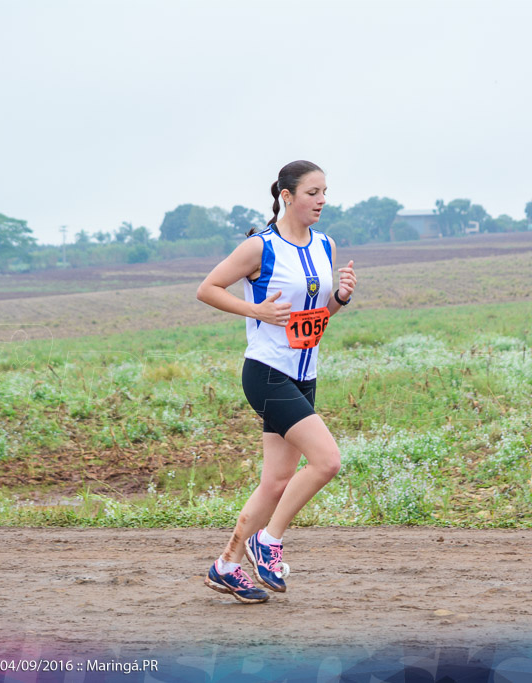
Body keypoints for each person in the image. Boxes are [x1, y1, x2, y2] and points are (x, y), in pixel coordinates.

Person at [196, 160, 357, 604]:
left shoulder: (326, 245)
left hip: (306, 374)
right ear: (287, 196)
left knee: (276, 481)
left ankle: (225, 565)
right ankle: (267, 541)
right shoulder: (259, 247)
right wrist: (257, 311)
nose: (322, 200)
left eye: (325, 192)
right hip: (268, 373)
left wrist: (340, 297)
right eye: (312, 192)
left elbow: (317, 316)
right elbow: (207, 288)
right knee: (327, 461)